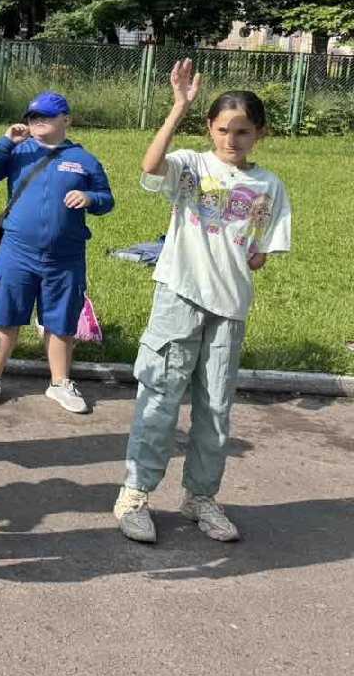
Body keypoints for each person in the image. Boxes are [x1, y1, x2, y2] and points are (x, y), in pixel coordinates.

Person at [114, 61, 290, 545]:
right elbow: (151, 166)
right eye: (223, 129)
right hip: (180, 297)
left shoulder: (270, 185)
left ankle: (200, 497)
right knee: (160, 398)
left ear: (260, 134)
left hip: (229, 309)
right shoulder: (192, 165)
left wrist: (253, 255)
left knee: (215, 410)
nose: (232, 140)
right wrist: (179, 107)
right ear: (209, 128)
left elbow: (261, 251)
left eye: (243, 131)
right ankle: (135, 495)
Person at [0, 91, 115, 413]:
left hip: (65, 257)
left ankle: (60, 383)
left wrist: (90, 198)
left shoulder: (83, 159)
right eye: (33, 116)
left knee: (61, 320)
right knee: (5, 313)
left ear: (66, 120)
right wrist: (5, 142)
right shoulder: (19, 151)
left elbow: (107, 199)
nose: (37, 121)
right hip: (17, 252)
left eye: (46, 116)